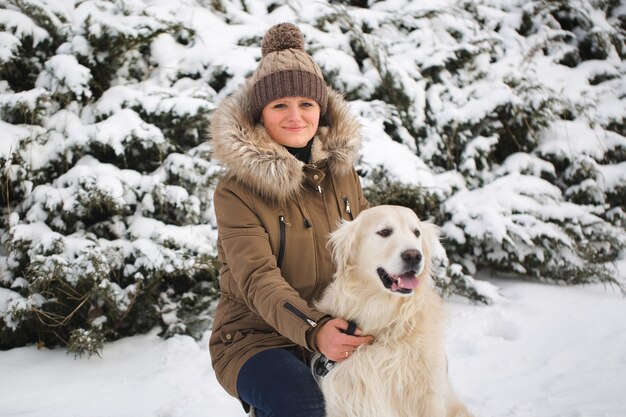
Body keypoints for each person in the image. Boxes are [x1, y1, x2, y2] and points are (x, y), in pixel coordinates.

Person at [209, 22, 374, 417]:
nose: (295, 116)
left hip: (337, 326)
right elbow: (257, 279)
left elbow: (371, 249)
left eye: (306, 104)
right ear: (260, 114)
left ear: (321, 109)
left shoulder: (342, 174)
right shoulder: (236, 192)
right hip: (256, 338)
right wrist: (315, 329)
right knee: (304, 405)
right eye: (279, 105)